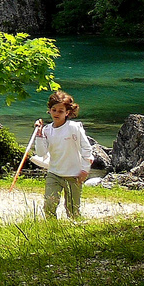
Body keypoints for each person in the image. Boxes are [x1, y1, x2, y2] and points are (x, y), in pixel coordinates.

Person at [33, 90, 95, 221]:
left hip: (74, 176)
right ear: (49, 110)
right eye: (53, 110)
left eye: (61, 111)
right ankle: (51, 230)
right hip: (54, 173)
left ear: (67, 112)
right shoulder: (46, 130)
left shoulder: (74, 127)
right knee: (49, 206)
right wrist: (39, 134)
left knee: (73, 210)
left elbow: (86, 148)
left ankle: (77, 232)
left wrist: (85, 170)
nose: (56, 113)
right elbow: (41, 153)